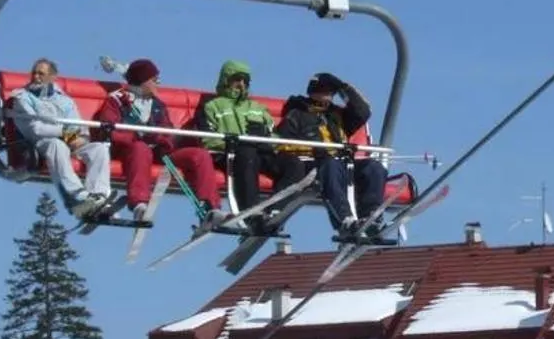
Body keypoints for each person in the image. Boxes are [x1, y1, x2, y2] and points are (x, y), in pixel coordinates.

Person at [95, 58, 223, 221]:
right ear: (142, 81)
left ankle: (210, 207)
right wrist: (134, 137)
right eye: (154, 80)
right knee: (141, 149)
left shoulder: (157, 105)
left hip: (159, 152)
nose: (159, 84)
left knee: (200, 155)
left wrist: (164, 140)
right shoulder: (117, 100)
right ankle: (140, 204)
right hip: (130, 151)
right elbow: (109, 129)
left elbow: (167, 130)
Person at [278, 71, 387, 237]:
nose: (328, 94)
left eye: (331, 91)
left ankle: (371, 215)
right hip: (313, 164)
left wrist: (344, 88)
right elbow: (283, 144)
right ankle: (345, 220)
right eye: (324, 90)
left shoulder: (336, 115)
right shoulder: (296, 114)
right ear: (313, 91)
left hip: (341, 163)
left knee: (373, 167)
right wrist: (316, 150)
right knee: (331, 165)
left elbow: (363, 112)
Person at [199, 60, 301, 227]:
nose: (241, 84)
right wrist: (234, 143)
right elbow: (207, 138)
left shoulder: (258, 108)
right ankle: (251, 213)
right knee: (246, 152)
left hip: (259, 153)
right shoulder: (211, 107)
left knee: (293, 164)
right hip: (230, 154)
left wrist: (265, 140)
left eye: (245, 81)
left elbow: (275, 136)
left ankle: (273, 209)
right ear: (226, 80)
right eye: (237, 79)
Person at [7, 58, 112, 218]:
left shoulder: (64, 101)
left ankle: (98, 196)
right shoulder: (23, 98)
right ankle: (78, 197)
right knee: (57, 145)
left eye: (41, 73)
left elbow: (77, 126)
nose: (36, 76)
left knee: (99, 149)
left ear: (52, 77)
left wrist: (80, 138)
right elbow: (36, 128)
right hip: (39, 143)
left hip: (164, 158)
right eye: (34, 73)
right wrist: (67, 134)